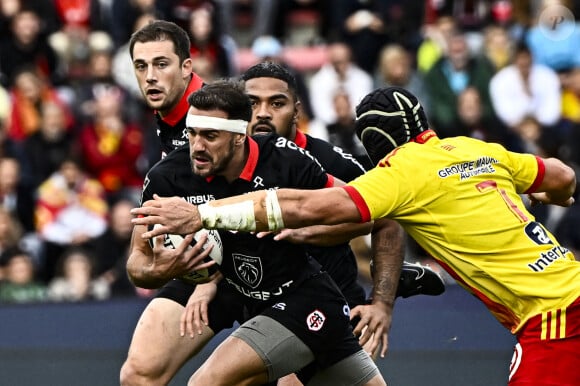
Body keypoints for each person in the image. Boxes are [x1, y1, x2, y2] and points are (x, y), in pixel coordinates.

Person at [133, 86, 580, 386]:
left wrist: (201, 215)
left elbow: (306, 207)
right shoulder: (475, 149)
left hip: (555, 319)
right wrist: (544, 194)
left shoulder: (397, 176)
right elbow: (561, 174)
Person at [129, 79, 387, 385]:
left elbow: (364, 210)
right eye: (192, 133)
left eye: (210, 136)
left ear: (239, 136)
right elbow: (137, 264)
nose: (197, 146)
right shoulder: (167, 179)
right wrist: (160, 270)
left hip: (308, 299)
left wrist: (305, 231)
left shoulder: (284, 160)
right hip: (251, 299)